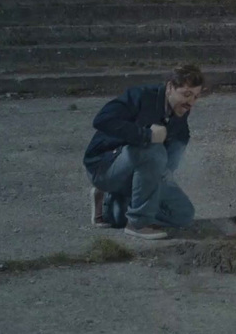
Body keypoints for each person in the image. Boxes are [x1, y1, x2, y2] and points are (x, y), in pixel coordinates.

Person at [83, 65, 205, 240]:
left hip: (138, 169)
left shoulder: (180, 108)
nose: (191, 102)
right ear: (170, 87)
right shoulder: (141, 95)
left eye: (196, 97)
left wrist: (164, 174)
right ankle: (138, 223)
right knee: (153, 150)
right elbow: (102, 120)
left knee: (183, 215)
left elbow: (181, 138)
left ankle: (112, 204)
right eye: (186, 94)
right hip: (104, 166)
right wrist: (146, 134)